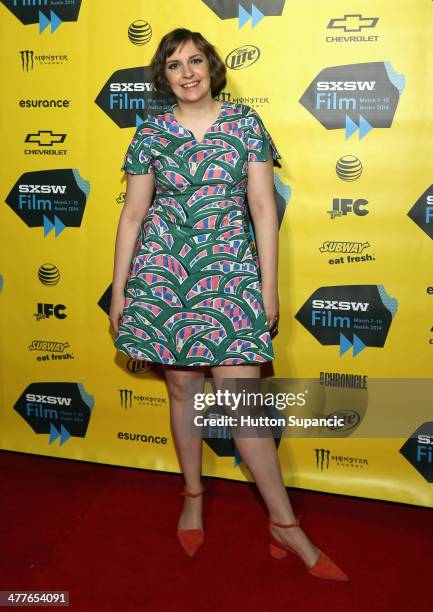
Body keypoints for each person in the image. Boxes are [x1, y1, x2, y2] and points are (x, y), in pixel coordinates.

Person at [109, 28, 348, 581]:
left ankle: (284, 524)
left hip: (231, 275)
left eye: (195, 61)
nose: (187, 72)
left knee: (243, 406)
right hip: (162, 276)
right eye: (173, 65)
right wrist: (121, 292)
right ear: (163, 76)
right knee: (182, 388)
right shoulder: (149, 133)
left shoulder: (246, 125)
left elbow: (264, 208)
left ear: (212, 67)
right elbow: (132, 216)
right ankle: (192, 495)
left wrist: (268, 286)